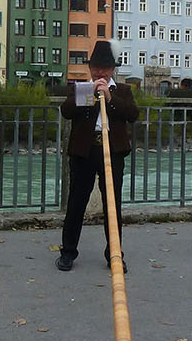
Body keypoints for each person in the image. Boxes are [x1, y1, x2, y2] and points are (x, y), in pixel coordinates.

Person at [56, 40, 139, 272]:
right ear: (90, 68)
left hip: (112, 152)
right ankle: (68, 252)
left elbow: (132, 114)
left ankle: (114, 253)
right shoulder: (81, 87)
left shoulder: (123, 91)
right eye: (96, 67)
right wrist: (89, 93)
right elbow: (66, 111)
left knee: (112, 204)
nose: (100, 72)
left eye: (104, 67)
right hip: (84, 151)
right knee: (76, 203)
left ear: (112, 69)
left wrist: (110, 99)